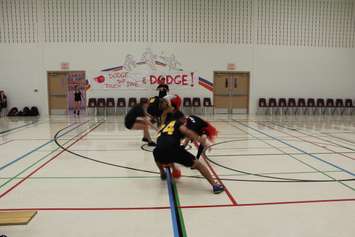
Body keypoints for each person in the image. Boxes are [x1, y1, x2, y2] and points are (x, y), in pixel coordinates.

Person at [153, 111, 224, 194]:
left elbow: (164, 142)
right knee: (199, 165)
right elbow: (188, 132)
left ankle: (162, 172)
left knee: (158, 154)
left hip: (158, 150)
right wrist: (200, 139)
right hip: (174, 149)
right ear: (180, 119)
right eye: (183, 120)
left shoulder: (163, 126)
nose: (185, 122)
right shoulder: (178, 123)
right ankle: (215, 186)